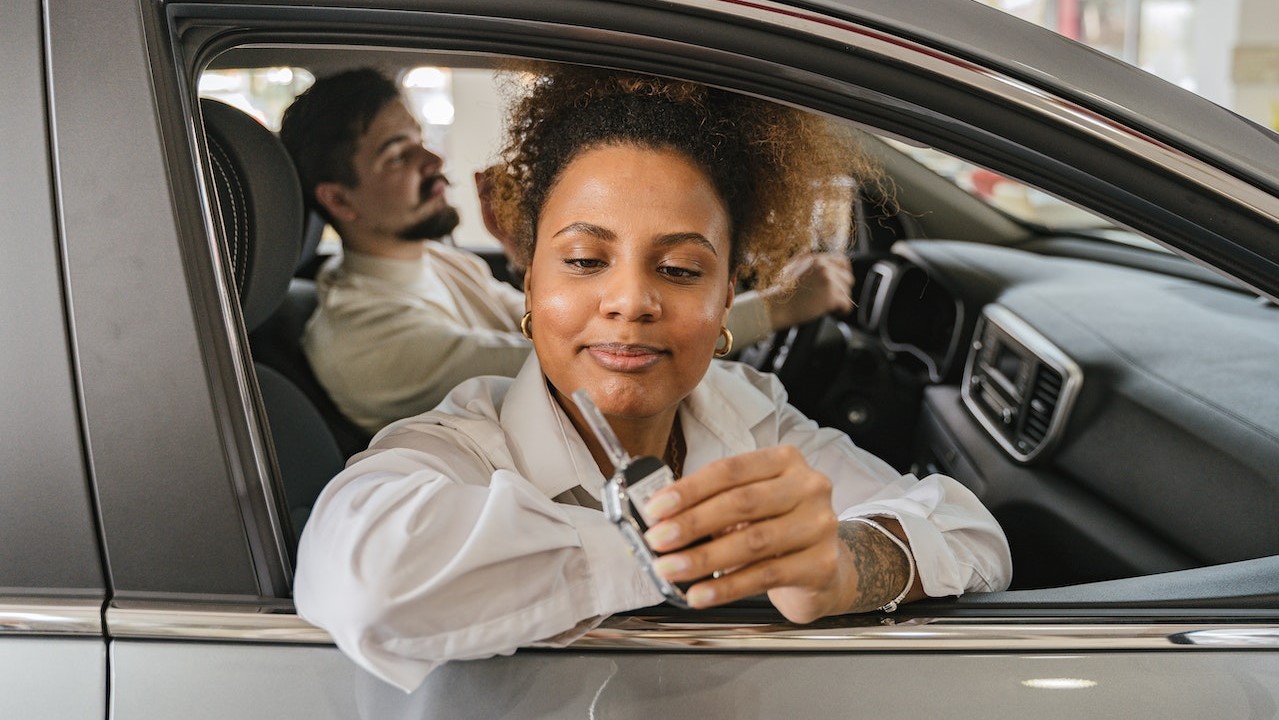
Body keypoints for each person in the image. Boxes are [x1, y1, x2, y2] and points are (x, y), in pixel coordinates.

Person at [293, 66, 1011, 692]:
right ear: (528, 279)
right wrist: (697, 554)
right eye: (582, 260)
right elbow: (366, 577)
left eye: (678, 269)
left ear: (727, 292)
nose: (631, 301)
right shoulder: (459, 445)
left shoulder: (747, 412)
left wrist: (842, 561)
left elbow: (973, 534)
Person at [278, 67, 856, 435]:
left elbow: (536, 324)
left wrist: (530, 254)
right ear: (340, 201)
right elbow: (567, 361)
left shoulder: (438, 263)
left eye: (680, 268)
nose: (433, 164)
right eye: (399, 154)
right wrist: (778, 308)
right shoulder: (364, 341)